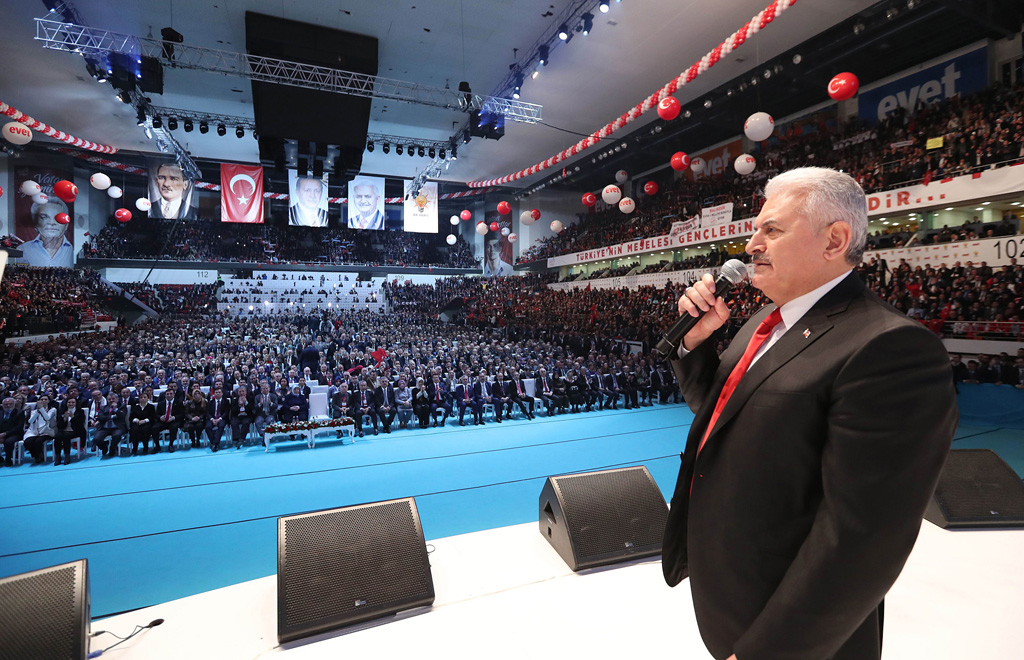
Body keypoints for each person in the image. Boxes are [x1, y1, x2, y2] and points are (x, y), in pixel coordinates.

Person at [663, 167, 957, 660]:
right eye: (755, 229)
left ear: (834, 240)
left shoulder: (890, 347)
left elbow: (861, 537)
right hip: (733, 593)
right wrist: (694, 344)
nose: (751, 243)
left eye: (771, 230)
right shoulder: (762, 320)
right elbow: (726, 418)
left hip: (793, 630)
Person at [18, 199, 74, 268]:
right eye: (44, 217)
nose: (52, 223)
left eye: (59, 218)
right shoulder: (23, 249)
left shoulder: (73, 250)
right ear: (36, 223)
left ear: (66, 225)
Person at [23, 394, 56, 464]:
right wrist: (38, 412)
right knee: (27, 442)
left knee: (38, 441)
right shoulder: (34, 411)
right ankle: (36, 455)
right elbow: (30, 421)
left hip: (47, 430)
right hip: (35, 431)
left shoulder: (52, 410)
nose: (43, 401)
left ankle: (39, 456)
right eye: (41, 399)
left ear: (49, 401)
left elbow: (47, 418)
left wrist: (42, 409)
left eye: (45, 399)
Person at [55, 395, 86, 465]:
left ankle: (67, 455)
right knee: (57, 436)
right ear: (66, 403)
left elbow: (80, 425)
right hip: (64, 430)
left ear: (76, 403)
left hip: (76, 430)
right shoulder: (62, 411)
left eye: (73, 402)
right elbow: (59, 425)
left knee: (66, 436)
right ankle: (58, 456)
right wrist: (65, 419)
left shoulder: (80, 411)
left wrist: (73, 417)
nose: (71, 404)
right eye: (69, 402)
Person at [154, 388, 184, 452]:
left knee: (173, 427)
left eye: (171, 394)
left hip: (174, 421)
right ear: (165, 395)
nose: (169, 395)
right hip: (163, 421)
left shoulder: (178, 403)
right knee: (154, 428)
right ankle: (157, 446)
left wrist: (173, 417)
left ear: (174, 395)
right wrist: (160, 417)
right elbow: (157, 414)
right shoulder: (160, 403)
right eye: (167, 394)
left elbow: (182, 414)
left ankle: (171, 445)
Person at [0, 397, 26, 466]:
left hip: (15, 434)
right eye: (6, 404)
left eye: (10, 404)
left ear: (14, 404)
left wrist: (5, 434)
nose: (8, 405)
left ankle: (8, 459)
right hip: (1, 434)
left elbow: (19, 427)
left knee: (8, 441)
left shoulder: (19, 413)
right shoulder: (0, 413)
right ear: (2, 405)